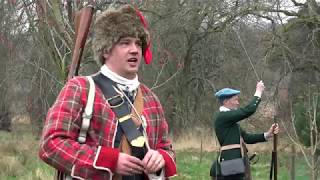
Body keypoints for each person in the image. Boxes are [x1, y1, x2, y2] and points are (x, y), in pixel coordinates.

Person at [39, 4, 177, 180]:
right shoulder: (80, 88)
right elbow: (51, 144)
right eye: (125, 43)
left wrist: (160, 158)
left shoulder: (151, 99)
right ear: (106, 50)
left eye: (138, 43)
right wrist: (109, 161)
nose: (135, 49)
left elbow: (167, 149)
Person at [210, 81, 279, 180]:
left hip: (234, 165)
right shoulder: (222, 116)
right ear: (226, 101)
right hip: (230, 165)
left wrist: (267, 134)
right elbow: (248, 110)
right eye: (235, 100)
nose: (238, 103)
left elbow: (247, 137)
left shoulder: (230, 120)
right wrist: (258, 91)